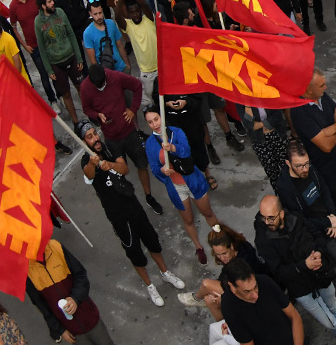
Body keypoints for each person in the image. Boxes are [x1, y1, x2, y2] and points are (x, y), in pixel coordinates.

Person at [77, 121, 184, 306]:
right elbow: (89, 175)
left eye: (95, 134)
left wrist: (108, 164)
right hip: (117, 215)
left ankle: (165, 273)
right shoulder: (86, 161)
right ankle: (150, 285)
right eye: (90, 137)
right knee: (133, 250)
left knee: (151, 240)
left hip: (132, 204)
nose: (95, 139)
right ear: (84, 141)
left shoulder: (109, 147)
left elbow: (124, 168)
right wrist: (93, 164)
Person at [252, 195, 336, 344]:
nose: (266, 222)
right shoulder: (263, 240)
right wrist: (304, 266)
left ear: (281, 213)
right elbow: (278, 272)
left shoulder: (296, 219)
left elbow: (317, 235)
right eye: (263, 218)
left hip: (320, 274)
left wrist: (318, 252)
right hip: (300, 287)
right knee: (330, 321)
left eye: (270, 218)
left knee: (333, 308)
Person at [273, 141, 336, 295]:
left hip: (330, 225)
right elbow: (300, 220)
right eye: (299, 166)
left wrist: (333, 219)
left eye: (306, 164)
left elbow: (326, 194)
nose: (304, 169)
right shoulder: (285, 188)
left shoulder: (312, 170)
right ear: (288, 163)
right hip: (317, 233)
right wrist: (327, 222)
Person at [288, 71, 336, 237]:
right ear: (309, 89)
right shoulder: (299, 111)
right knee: (333, 207)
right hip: (326, 169)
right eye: (321, 85)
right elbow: (326, 146)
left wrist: (331, 128)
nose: (326, 87)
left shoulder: (323, 96)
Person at [143, 104, 225, 261]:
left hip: (193, 181)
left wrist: (173, 147)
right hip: (176, 188)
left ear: (162, 117)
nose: (155, 125)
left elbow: (186, 151)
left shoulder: (176, 132)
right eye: (150, 122)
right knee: (188, 220)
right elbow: (153, 168)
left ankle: (221, 237)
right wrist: (161, 171)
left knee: (208, 213)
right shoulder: (150, 144)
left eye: (156, 119)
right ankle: (198, 247)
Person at [77, 64, 160, 214]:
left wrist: (132, 109)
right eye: (98, 86)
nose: (101, 87)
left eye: (103, 83)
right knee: (118, 173)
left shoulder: (115, 76)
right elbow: (86, 109)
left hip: (129, 132)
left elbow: (136, 86)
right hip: (111, 139)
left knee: (142, 165)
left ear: (106, 76)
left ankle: (149, 197)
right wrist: (97, 115)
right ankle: (130, 201)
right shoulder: (85, 87)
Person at [26, 238, 115, 345]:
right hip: (72, 331)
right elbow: (41, 305)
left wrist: (75, 298)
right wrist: (60, 330)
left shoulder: (56, 247)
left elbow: (80, 275)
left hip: (90, 318)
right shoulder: (26, 270)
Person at [216, 258, 304, 345]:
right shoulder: (229, 307)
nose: (255, 295)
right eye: (247, 291)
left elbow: (294, 316)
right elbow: (247, 343)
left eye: (255, 286)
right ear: (232, 287)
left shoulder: (265, 281)